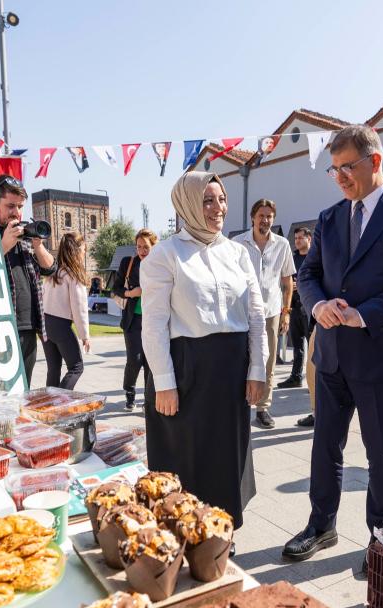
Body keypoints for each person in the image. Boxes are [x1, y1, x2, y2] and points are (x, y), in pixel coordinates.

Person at [282, 124, 383, 572]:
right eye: (333, 170)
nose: (341, 177)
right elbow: (307, 276)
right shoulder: (330, 217)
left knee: (380, 453)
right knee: (325, 445)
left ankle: (380, 538)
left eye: (347, 167)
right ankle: (321, 523)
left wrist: (361, 313)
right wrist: (319, 305)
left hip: (379, 355)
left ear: (375, 160)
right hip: (331, 354)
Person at [141, 172, 266, 527]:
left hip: (231, 371)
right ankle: (183, 530)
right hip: (186, 370)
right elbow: (153, 324)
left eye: (221, 199)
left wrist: (258, 370)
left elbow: (256, 315)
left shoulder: (238, 254)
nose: (218, 208)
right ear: (187, 205)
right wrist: (164, 382)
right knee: (187, 456)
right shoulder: (165, 255)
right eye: (207, 200)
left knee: (226, 457)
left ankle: (222, 531)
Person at [234, 199, 296, 429]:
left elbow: (287, 281)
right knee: (241, 358)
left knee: (267, 361)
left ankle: (262, 408)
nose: (265, 220)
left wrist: (286, 312)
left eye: (270, 216)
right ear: (253, 217)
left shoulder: (282, 245)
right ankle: (239, 404)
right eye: (261, 215)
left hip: (270, 312)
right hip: (241, 312)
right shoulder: (237, 243)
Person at [0, 175, 56, 384]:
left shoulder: (24, 234)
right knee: (3, 389)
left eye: (20, 206)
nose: (16, 212)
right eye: (10, 206)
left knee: (24, 387)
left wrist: (38, 244)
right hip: (0, 326)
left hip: (29, 326)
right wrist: (3, 245)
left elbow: (50, 268)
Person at [39, 232, 90, 390]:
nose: (84, 253)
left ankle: (49, 406)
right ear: (76, 251)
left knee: (53, 369)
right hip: (60, 325)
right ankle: (59, 403)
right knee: (76, 367)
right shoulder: (73, 275)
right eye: (83, 250)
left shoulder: (54, 273)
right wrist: (85, 336)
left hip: (45, 323)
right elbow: (79, 308)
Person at [115, 229, 158, 411]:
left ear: (154, 247)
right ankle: (130, 394)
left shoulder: (160, 264)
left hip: (154, 321)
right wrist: (132, 293)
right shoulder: (128, 263)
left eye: (146, 247)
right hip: (133, 321)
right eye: (139, 247)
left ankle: (149, 400)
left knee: (151, 361)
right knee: (135, 359)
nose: (142, 251)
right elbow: (116, 288)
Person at [279, 227, 313, 391]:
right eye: (296, 238)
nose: (297, 241)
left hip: (310, 310)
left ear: (309, 239)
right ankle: (296, 377)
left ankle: (315, 379)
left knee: (314, 346)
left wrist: (300, 285)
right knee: (298, 347)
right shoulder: (291, 259)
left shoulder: (316, 259)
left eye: (301, 238)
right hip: (294, 308)